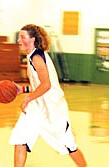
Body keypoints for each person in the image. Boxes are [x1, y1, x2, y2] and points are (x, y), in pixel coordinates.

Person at [9, 24, 87, 167]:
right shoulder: (32, 55)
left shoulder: (37, 57)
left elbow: (46, 85)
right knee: (19, 138)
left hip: (53, 108)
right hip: (36, 107)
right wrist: (23, 90)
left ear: (32, 39)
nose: (19, 41)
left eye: (22, 37)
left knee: (69, 146)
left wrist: (27, 98)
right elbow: (38, 84)